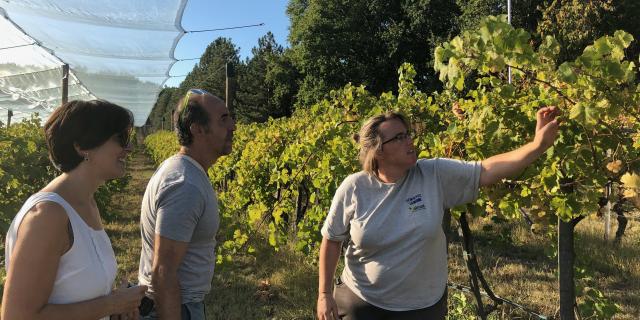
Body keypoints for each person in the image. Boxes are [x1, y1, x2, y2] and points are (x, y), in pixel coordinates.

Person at [317, 107, 560, 320]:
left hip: (421, 308)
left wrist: (537, 145)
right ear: (378, 151)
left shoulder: (433, 174)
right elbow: (332, 240)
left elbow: (486, 170)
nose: (410, 141)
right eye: (399, 137)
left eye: (408, 134)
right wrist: (325, 294)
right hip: (362, 302)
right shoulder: (355, 187)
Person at [2, 100, 147, 320]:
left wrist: (115, 306)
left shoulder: (85, 203)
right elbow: (17, 316)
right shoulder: (48, 215)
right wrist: (109, 305)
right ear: (82, 147)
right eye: (121, 139)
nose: (128, 149)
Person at [138, 89, 235, 319]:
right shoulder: (185, 185)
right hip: (175, 308)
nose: (233, 125)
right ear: (197, 129)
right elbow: (163, 272)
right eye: (223, 119)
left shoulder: (186, 172)